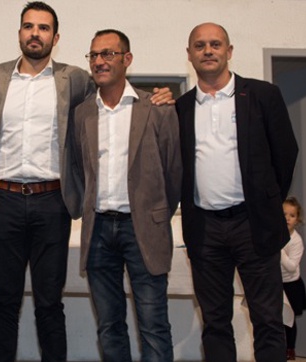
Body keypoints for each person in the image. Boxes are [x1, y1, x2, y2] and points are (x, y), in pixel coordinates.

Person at [0, 2, 173, 361]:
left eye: (43, 27)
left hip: (51, 202)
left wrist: (158, 95)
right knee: (3, 302)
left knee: (50, 303)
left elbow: (115, 94)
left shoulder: (75, 79)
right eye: (28, 26)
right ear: (19, 32)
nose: (35, 33)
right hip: (2, 202)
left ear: (56, 37)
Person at [176, 22, 299, 362]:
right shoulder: (181, 108)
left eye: (215, 44)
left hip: (253, 225)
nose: (208, 51)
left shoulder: (262, 95)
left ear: (229, 51)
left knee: (268, 319)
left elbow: (285, 153)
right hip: (205, 230)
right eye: (199, 46)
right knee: (215, 322)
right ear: (189, 55)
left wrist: (265, 202)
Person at [68, 29, 181, 361]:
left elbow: (174, 172)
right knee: (109, 326)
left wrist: (155, 212)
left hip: (143, 228)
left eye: (108, 54)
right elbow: (78, 167)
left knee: (153, 325)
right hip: (99, 230)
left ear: (127, 59)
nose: (100, 61)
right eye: (94, 55)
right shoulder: (82, 113)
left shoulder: (157, 107)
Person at [281, 196, 306, 360]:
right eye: (284, 214)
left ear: (297, 220)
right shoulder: (276, 233)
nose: (287, 218)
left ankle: (290, 349)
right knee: (275, 319)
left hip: (291, 285)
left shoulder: (296, 241)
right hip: (276, 283)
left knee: (290, 320)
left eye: (292, 215)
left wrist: (280, 251)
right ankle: (278, 348)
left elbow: (291, 266)